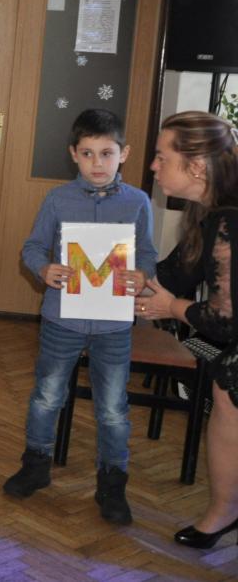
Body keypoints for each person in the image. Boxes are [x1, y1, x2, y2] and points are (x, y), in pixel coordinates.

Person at [3, 109, 156, 525]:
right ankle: (36, 464)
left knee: (113, 407)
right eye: (87, 153)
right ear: (74, 154)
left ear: (124, 153)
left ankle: (112, 482)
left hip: (113, 325)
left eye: (106, 153)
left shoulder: (138, 202)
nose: (97, 163)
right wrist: (44, 269)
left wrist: (142, 275)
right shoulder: (58, 199)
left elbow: (147, 254)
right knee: (47, 395)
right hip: (62, 320)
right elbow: (33, 248)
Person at [137, 111, 238, 549]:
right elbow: (174, 274)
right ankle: (226, 510)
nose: (153, 166)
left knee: (228, 385)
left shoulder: (230, 219)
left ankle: (225, 511)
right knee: (226, 390)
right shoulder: (208, 211)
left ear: (196, 166)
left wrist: (170, 307)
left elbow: (224, 321)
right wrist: (110, 278)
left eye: (162, 157)